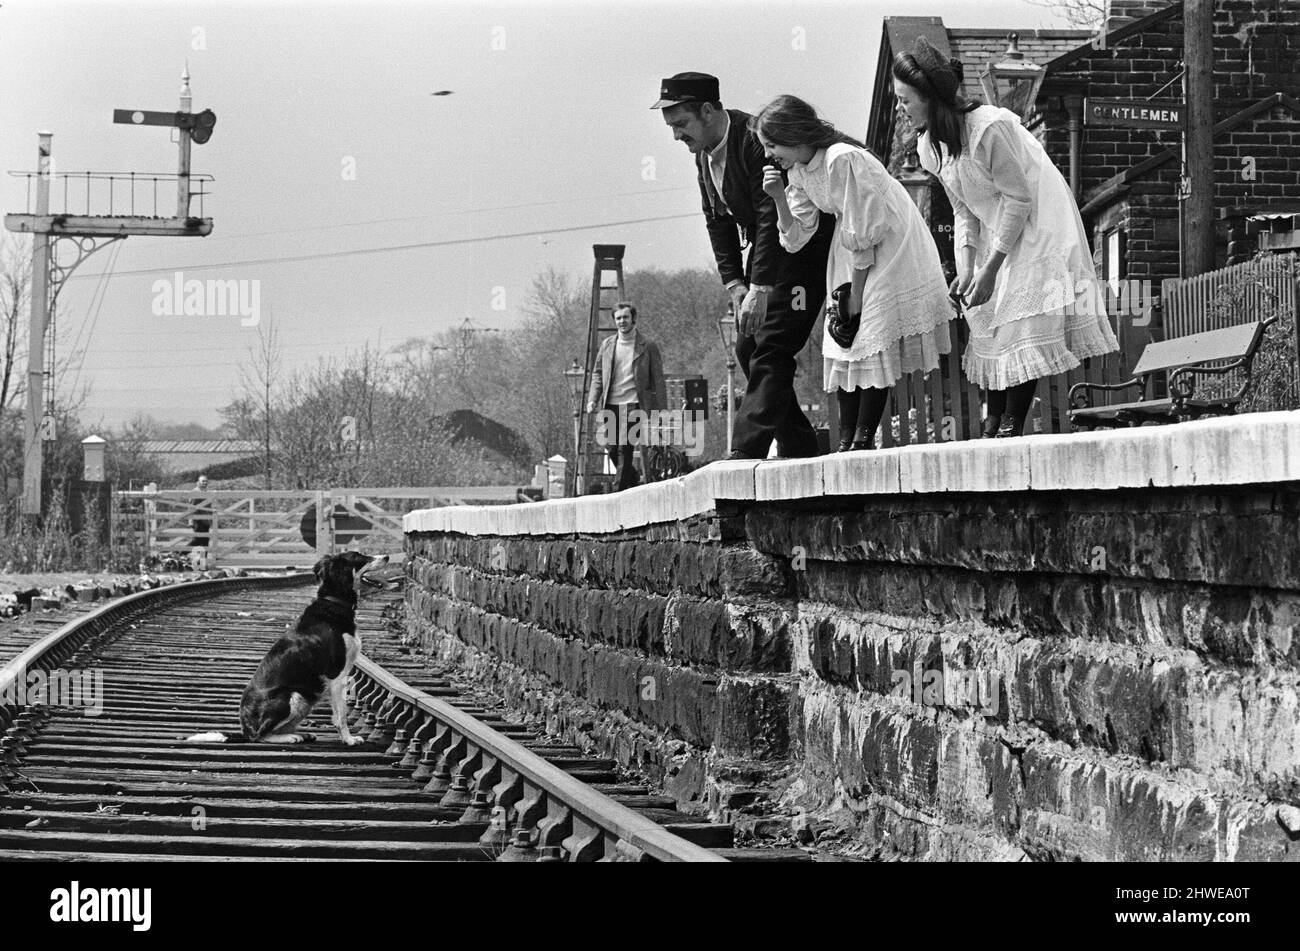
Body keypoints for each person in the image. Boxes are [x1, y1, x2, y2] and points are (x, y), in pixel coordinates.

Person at [893, 38, 1119, 437]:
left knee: (1023, 320)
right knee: (990, 319)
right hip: (997, 225)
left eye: (905, 100)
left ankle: (1011, 422)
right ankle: (993, 422)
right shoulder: (931, 148)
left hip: (1038, 222)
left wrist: (992, 268)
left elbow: (1019, 199)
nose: (900, 108)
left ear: (930, 98)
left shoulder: (989, 128)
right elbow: (963, 210)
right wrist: (966, 268)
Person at [752, 95, 954, 451]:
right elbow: (796, 238)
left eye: (771, 145)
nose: (769, 155)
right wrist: (778, 198)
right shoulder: (799, 171)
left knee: (869, 333)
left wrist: (856, 295)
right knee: (846, 340)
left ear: (794, 135)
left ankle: (862, 439)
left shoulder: (841, 159)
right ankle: (847, 440)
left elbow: (865, 228)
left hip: (887, 242)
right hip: (852, 247)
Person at [654, 72, 834, 459]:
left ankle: (745, 449)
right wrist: (735, 283)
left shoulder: (752, 137)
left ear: (708, 110)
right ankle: (800, 445)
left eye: (681, 125)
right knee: (746, 345)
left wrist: (761, 288)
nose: (676, 137)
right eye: (671, 128)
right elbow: (716, 218)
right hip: (769, 249)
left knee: (770, 344)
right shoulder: (703, 154)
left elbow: (771, 212)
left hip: (801, 244)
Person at [586, 303, 666, 491]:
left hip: (635, 404)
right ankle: (633, 476)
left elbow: (658, 380)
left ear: (633, 319)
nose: (622, 321)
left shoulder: (648, 346)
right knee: (612, 449)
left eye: (626, 317)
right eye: (618, 318)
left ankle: (617, 492)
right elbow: (598, 374)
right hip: (611, 404)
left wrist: (661, 411)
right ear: (615, 321)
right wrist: (592, 399)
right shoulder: (607, 345)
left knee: (625, 447)